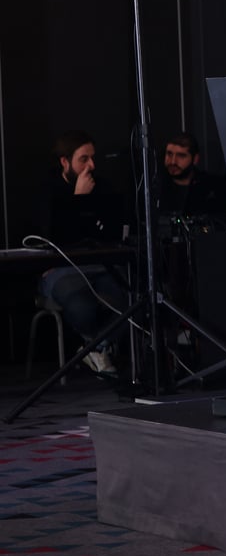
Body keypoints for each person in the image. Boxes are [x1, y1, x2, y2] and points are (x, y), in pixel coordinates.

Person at [36, 130, 130, 375]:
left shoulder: (101, 186)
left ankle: (96, 349)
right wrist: (78, 198)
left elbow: (111, 228)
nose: (92, 165)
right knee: (83, 307)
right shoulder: (48, 190)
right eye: (83, 159)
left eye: (93, 158)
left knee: (129, 301)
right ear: (65, 162)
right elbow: (52, 236)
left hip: (99, 264)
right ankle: (99, 349)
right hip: (62, 269)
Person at [155, 132, 226, 219]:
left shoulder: (213, 186)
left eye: (181, 156)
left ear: (195, 159)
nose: (173, 161)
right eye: (169, 154)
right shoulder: (156, 187)